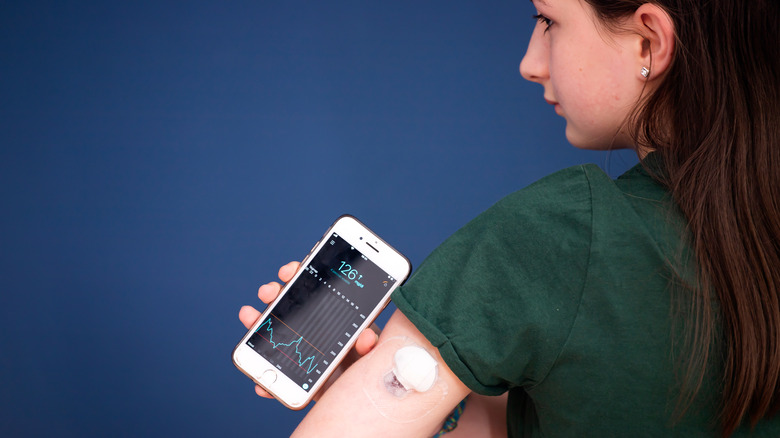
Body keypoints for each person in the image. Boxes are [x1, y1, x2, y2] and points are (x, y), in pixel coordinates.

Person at [239, 0, 780, 436]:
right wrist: (428, 410)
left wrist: (378, 407)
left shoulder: (557, 235)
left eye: (548, 20)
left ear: (649, 41)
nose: (529, 62)